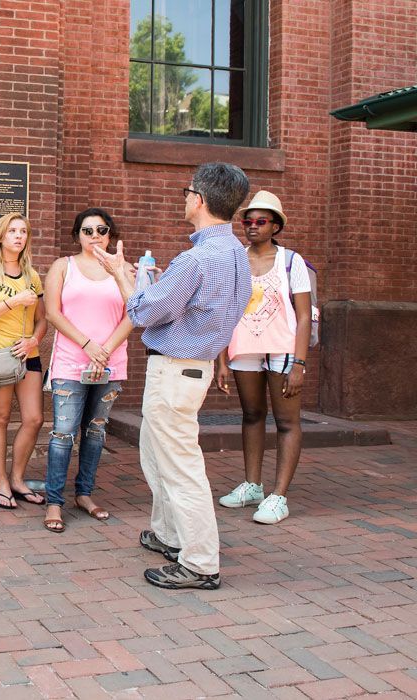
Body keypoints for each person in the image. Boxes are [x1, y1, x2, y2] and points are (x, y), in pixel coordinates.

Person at [95, 162, 251, 590]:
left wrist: (121, 277)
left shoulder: (197, 257)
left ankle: (200, 562)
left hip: (174, 371)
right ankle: (169, 534)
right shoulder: (235, 253)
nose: (184, 198)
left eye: (187, 192)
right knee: (157, 453)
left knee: (181, 467)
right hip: (194, 367)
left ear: (199, 199)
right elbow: (200, 304)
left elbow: (143, 312)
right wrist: (161, 286)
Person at [216, 191, 310, 525]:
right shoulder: (236, 259)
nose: (252, 226)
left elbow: (303, 316)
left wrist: (299, 362)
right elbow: (226, 311)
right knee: (252, 414)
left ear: (275, 226)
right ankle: (253, 485)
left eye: (261, 221)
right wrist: (221, 359)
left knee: (286, 422)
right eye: (247, 221)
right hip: (245, 348)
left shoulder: (290, 261)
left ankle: (278, 496)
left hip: (284, 350)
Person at [41, 208, 134, 533]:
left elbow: (135, 312)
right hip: (71, 362)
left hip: (111, 362)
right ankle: (54, 501)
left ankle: (84, 494)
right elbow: (52, 313)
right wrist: (88, 345)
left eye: (101, 230)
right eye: (87, 230)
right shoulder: (62, 267)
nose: (95, 236)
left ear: (111, 234)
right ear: (77, 235)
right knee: (63, 433)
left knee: (95, 431)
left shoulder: (123, 270)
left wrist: (105, 349)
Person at [0, 213, 48, 510]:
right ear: (1, 237)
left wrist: (34, 340)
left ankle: (17, 479)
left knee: (34, 418)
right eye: (12, 231)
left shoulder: (32, 275)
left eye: (23, 232)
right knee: (1, 418)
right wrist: (14, 301)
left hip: (27, 353)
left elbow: (42, 319)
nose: (18, 236)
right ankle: (1, 480)